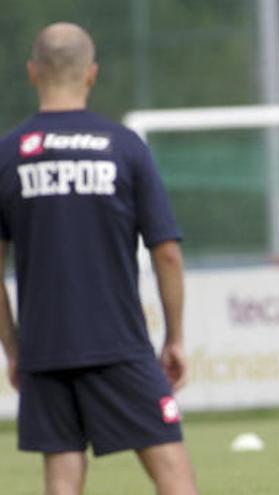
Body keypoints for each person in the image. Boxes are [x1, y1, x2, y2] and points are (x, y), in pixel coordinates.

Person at [0, 22, 198, 494]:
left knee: (62, 476)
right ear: (91, 74)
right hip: (119, 344)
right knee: (173, 472)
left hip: (44, 349)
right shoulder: (124, 146)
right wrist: (174, 338)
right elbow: (166, 253)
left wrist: (14, 349)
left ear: (33, 72)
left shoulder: (7, 155)